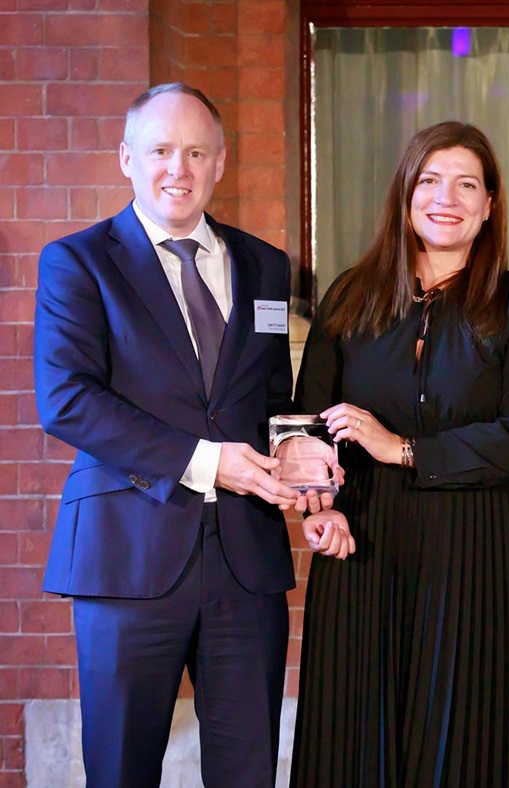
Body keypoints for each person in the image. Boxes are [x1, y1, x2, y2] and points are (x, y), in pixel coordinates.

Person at [33, 83, 317, 788]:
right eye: (160, 150)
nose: (177, 169)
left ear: (220, 162)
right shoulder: (78, 262)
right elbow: (67, 400)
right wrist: (207, 461)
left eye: (195, 152)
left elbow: (270, 396)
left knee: (248, 771)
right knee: (121, 772)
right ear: (126, 158)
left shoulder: (264, 266)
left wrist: (296, 448)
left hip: (246, 563)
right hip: (126, 557)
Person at [290, 122, 509, 785]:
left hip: (475, 553)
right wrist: (319, 506)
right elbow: (306, 427)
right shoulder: (349, 297)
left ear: (490, 205)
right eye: (431, 181)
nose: (447, 198)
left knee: (465, 746)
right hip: (362, 547)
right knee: (356, 744)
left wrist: (404, 448)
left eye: (467, 185)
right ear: (406, 193)